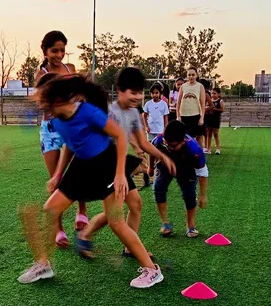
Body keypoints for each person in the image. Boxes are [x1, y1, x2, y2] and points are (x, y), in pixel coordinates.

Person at [17, 75, 164, 289]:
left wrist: (120, 174)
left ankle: (152, 271)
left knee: (116, 222)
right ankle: (43, 265)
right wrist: (58, 174)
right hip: (81, 166)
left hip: (105, 164)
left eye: (45, 103)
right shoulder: (56, 118)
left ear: (58, 100)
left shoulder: (87, 112)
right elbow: (70, 144)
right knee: (50, 210)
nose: (42, 108)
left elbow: (120, 136)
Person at [77, 68, 176, 258]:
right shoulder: (109, 113)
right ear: (120, 91)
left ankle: (129, 247)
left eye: (141, 92)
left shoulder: (133, 113)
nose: (138, 96)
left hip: (119, 167)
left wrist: (163, 156)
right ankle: (85, 235)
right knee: (114, 214)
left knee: (135, 205)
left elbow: (143, 142)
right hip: (105, 168)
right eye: (133, 92)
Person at [33, 30, 89, 243]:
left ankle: (82, 210)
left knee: (77, 171)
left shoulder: (70, 69)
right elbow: (43, 102)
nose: (59, 55)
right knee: (55, 179)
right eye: (54, 51)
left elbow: (81, 95)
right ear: (45, 51)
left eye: (62, 50)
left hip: (72, 126)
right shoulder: (41, 74)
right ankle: (58, 229)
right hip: (49, 129)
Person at [152, 120, 209, 238]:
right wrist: (150, 167)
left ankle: (190, 226)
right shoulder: (160, 139)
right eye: (166, 144)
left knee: (189, 194)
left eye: (173, 146)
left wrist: (203, 195)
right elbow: (152, 149)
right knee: (158, 188)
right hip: (165, 165)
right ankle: (165, 223)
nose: (169, 147)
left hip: (187, 168)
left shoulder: (194, 149)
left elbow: (202, 172)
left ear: (183, 142)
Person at [143, 82, 171, 183]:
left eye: (156, 93)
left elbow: (165, 117)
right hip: (151, 130)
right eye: (153, 93)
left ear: (160, 93)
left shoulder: (163, 104)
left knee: (159, 149)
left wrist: (165, 129)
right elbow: (144, 115)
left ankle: (158, 168)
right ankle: (151, 167)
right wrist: (146, 126)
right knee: (151, 150)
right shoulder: (148, 104)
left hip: (160, 131)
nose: (155, 95)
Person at [177, 68, 207, 149]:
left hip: (196, 115)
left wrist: (202, 117)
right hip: (184, 116)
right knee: (185, 138)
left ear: (196, 75)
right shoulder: (183, 87)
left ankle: (200, 155)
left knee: (199, 137)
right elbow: (178, 103)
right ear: (187, 76)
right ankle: (187, 155)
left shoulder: (200, 86)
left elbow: (203, 103)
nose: (191, 77)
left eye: (193, 75)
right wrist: (178, 116)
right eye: (189, 75)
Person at [205, 86, 224, 154]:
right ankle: (208, 149)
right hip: (209, 118)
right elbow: (206, 107)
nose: (213, 95)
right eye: (212, 93)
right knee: (209, 133)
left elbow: (222, 109)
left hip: (216, 119)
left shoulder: (220, 101)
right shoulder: (209, 100)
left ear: (218, 94)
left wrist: (214, 109)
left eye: (214, 93)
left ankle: (218, 149)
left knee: (216, 134)